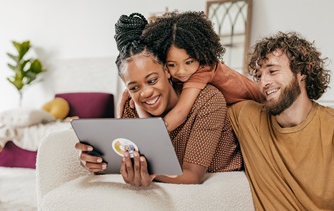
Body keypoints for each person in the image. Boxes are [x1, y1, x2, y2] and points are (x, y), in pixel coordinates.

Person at [75, 13, 244, 186]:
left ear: (166, 70)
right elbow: (124, 158)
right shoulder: (131, 107)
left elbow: (192, 176)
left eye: (152, 80)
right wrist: (97, 162)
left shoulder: (207, 100)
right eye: (134, 87)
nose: (146, 93)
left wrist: (149, 172)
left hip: (222, 184)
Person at [227, 31, 334, 210]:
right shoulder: (247, 116)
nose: (263, 82)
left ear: (303, 71)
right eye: (259, 75)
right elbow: (210, 76)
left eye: (272, 71)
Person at [118, 11, 263, 132]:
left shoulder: (203, 70)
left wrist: (150, 134)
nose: (181, 72)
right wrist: (128, 96)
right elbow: (131, 93)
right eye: (172, 64)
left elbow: (180, 113)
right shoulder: (186, 72)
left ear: (200, 55)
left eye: (189, 62)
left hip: (261, 105)